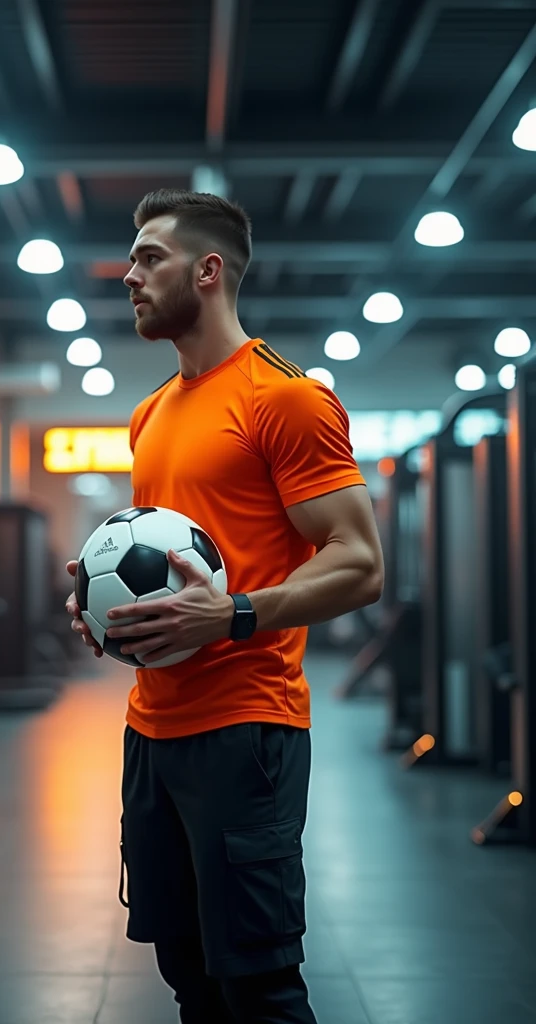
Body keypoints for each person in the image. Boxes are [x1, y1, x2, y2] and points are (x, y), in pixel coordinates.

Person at [66, 189, 384, 1023]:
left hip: (247, 730)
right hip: (152, 729)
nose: (127, 276)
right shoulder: (150, 414)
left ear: (208, 271)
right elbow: (166, 562)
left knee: (258, 985)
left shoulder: (285, 397)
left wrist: (233, 614)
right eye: (130, 260)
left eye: (148, 258)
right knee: (190, 976)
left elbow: (360, 563)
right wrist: (102, 608)